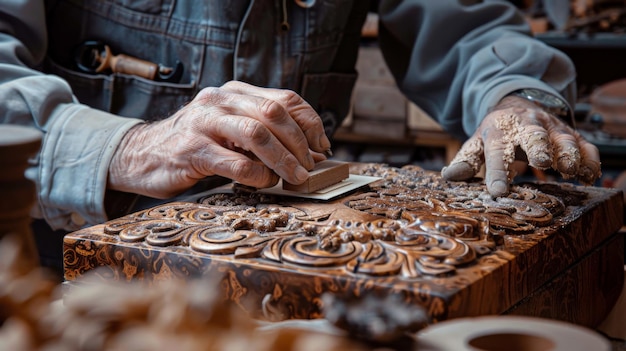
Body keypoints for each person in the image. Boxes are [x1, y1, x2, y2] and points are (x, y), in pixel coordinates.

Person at [1, 0, 600, 234]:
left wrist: (515, 97)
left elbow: (469, 29)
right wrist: (129, 146)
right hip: (70, 276)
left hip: (299, 263)